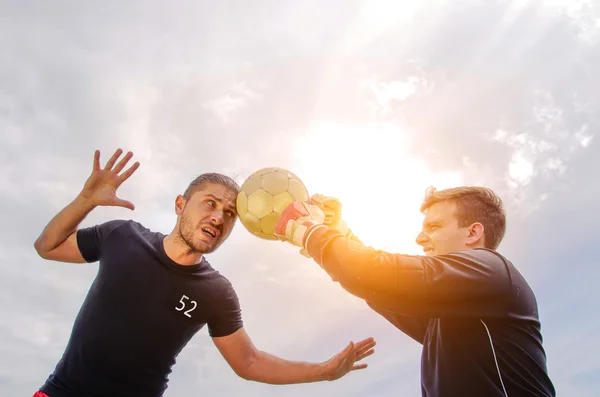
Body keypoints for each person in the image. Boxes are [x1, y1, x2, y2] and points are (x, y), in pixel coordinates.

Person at [32, 149, 376, 397]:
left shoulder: (216, 292)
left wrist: (324, 372)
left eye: (229, 214)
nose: (218, 217)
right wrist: (86, 200)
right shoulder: (122, 235)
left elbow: (249, 362)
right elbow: (47, 246)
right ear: (181, 205)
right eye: (210, 204)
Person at [274, 187, 556, 397]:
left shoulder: (491, 269)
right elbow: (379, 289)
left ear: (472, 234)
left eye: (433, 227)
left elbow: (374, 275)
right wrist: (340, 232)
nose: (421, 238)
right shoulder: (453, 308)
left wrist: (310, 231)